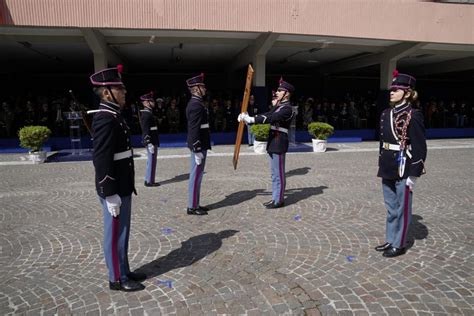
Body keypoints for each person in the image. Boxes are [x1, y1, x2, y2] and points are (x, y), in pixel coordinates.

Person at [89, 65, 146, 291]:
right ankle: (116, 278)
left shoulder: (114, 115)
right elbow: (101, 159)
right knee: (114, 234)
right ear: (106, 92)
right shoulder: (104, 118)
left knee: (123, 231)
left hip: (123, 184)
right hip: (114, 186)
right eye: (119, 88)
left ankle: (124, 269)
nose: (124, 92)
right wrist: (108, 192)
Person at [375, 70, 427, 258]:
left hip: (403, 165)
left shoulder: (414, 114)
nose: (391, 92)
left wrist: (414, 174)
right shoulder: (386, 113)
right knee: (391, 207)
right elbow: (383, 142)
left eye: (396, 89)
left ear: (407, 93)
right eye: (391, 89)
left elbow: (420, 147)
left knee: (402, 208)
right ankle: (390, 239)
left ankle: (399, 243)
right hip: (388, 164)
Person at [238, 78, 295, 209]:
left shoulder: (287, 109)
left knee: (279, 173)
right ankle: (275, 197)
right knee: (274, 173)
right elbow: (267, 114)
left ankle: (279, 200)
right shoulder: (278, 107)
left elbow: (271, 118)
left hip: (279, 142)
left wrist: (251, 119)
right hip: (273, 141)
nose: (277, 92)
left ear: (286, 93)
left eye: (280, 90)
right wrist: (248, 118)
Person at [185, 73, 211, 215]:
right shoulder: (196, 105)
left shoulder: (197, 103)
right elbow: (194, 128)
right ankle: (192, 206)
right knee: (196, 176)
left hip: (201, 143)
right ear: (196, 88)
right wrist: (196, 148)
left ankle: (196, 203)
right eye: (203, 86)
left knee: (198, 175)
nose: (205, 89)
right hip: (199, 145)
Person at [140, 91, 160, 187]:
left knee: (151, 161)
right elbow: (145, 130)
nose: (154, 103)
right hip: (151, 140)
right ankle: (149, 181)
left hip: (153, 139)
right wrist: (148, 142)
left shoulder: (149, 113)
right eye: (152, 101)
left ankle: (149, 179)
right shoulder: (146, 114)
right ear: (147, 102)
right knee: (152, 161)